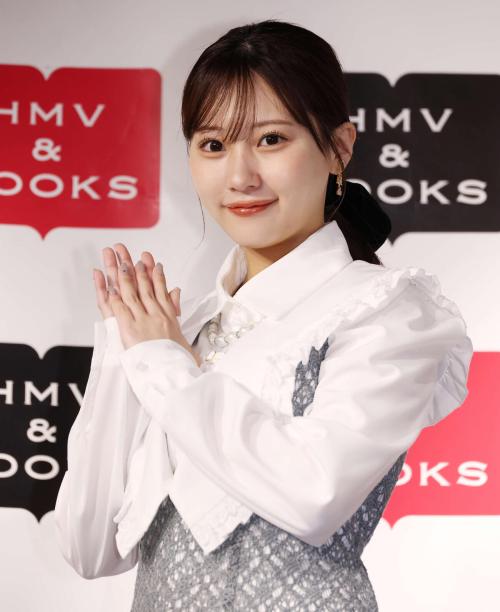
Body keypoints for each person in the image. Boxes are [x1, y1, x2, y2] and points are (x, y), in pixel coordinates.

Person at [54, 19, 474, 611]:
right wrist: (130, 357)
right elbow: (91, 549)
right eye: (213, 145)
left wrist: (165, 368)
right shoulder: (179, 330)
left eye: (271, 140)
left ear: (339, 147)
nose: (239, 176)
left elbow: (315, 494)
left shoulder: (387, 310)